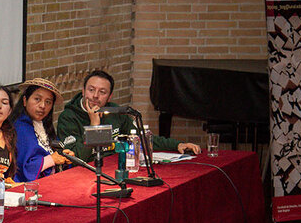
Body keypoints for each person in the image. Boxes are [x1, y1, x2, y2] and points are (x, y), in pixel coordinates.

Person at [57, 69, 201, 162]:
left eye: (102, 92)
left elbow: (140, 138)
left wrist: (177, 145)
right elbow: (77, 158)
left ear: (109, 96)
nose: (95, 96)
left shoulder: (115, 111)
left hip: (117, 165)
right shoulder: (68, 117)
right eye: (91, 90)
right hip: (89, 172)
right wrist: (95, 127)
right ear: (83, 91)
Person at [9, 77, 70, 182]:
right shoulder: (20, 128)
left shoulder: (45, 126)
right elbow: (25, 168)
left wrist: (64, 156)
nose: (42, 106)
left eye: (48, 102)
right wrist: (52, 159)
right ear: (25, 100)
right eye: (37, 99)